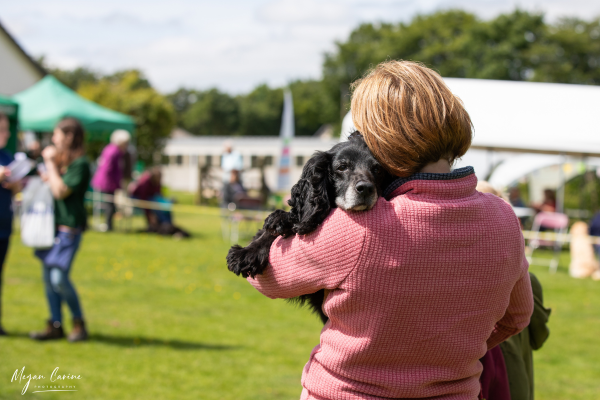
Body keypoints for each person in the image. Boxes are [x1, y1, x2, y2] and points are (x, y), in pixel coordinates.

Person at [246, 61, 533, 400]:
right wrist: (446, 356)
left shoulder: (358, 226)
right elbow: (517, 316)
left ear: (385, 137)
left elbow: (266, 278)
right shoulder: (503, 218)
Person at [29, 117, 90, 342]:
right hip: (51, 228)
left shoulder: (80, 164)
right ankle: (55, 324)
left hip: (69, 229)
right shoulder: (64, 163)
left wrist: (51, 166)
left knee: (58, 278)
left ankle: (78, 323)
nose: (53, 140)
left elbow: (61, 191)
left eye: (56, 134)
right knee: (48, 278)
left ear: (69, 136)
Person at [0, 112, 22, 336]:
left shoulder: (7, 156)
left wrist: (16, 186)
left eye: (6, 129)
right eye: (2, 129)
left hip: (4, 225)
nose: (5, 134)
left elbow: (17, 192)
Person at [91, 129, 131, 231]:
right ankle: (108, 226)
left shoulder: (110, 149)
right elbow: (107, 169)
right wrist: (116, 183)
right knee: (109, 205)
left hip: (106, 181)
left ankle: (108, 225)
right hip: (108, 182)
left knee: (109, 204)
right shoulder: (114, 151)